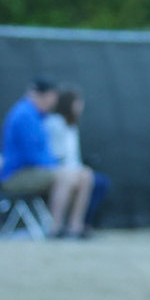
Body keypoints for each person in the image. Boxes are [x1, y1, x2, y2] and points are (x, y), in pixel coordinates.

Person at [0, 78, 95, 239]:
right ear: (47, 96)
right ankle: (54, 228)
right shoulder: (25, 115)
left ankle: (74, 228)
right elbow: (32, 155)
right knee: (65, 176)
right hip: (16, 175)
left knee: (85, 175)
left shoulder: (38, 116)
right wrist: (56, 167)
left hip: (33, 171)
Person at [44, 85, 111, 231]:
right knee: (80, 177)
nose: (80, 106)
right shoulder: (55, 124)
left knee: (92, 178)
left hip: (72, 169)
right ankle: (56, 226)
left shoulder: (71, 127)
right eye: (77, 103)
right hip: (57, 170)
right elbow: (56, 155)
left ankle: (76, 225)